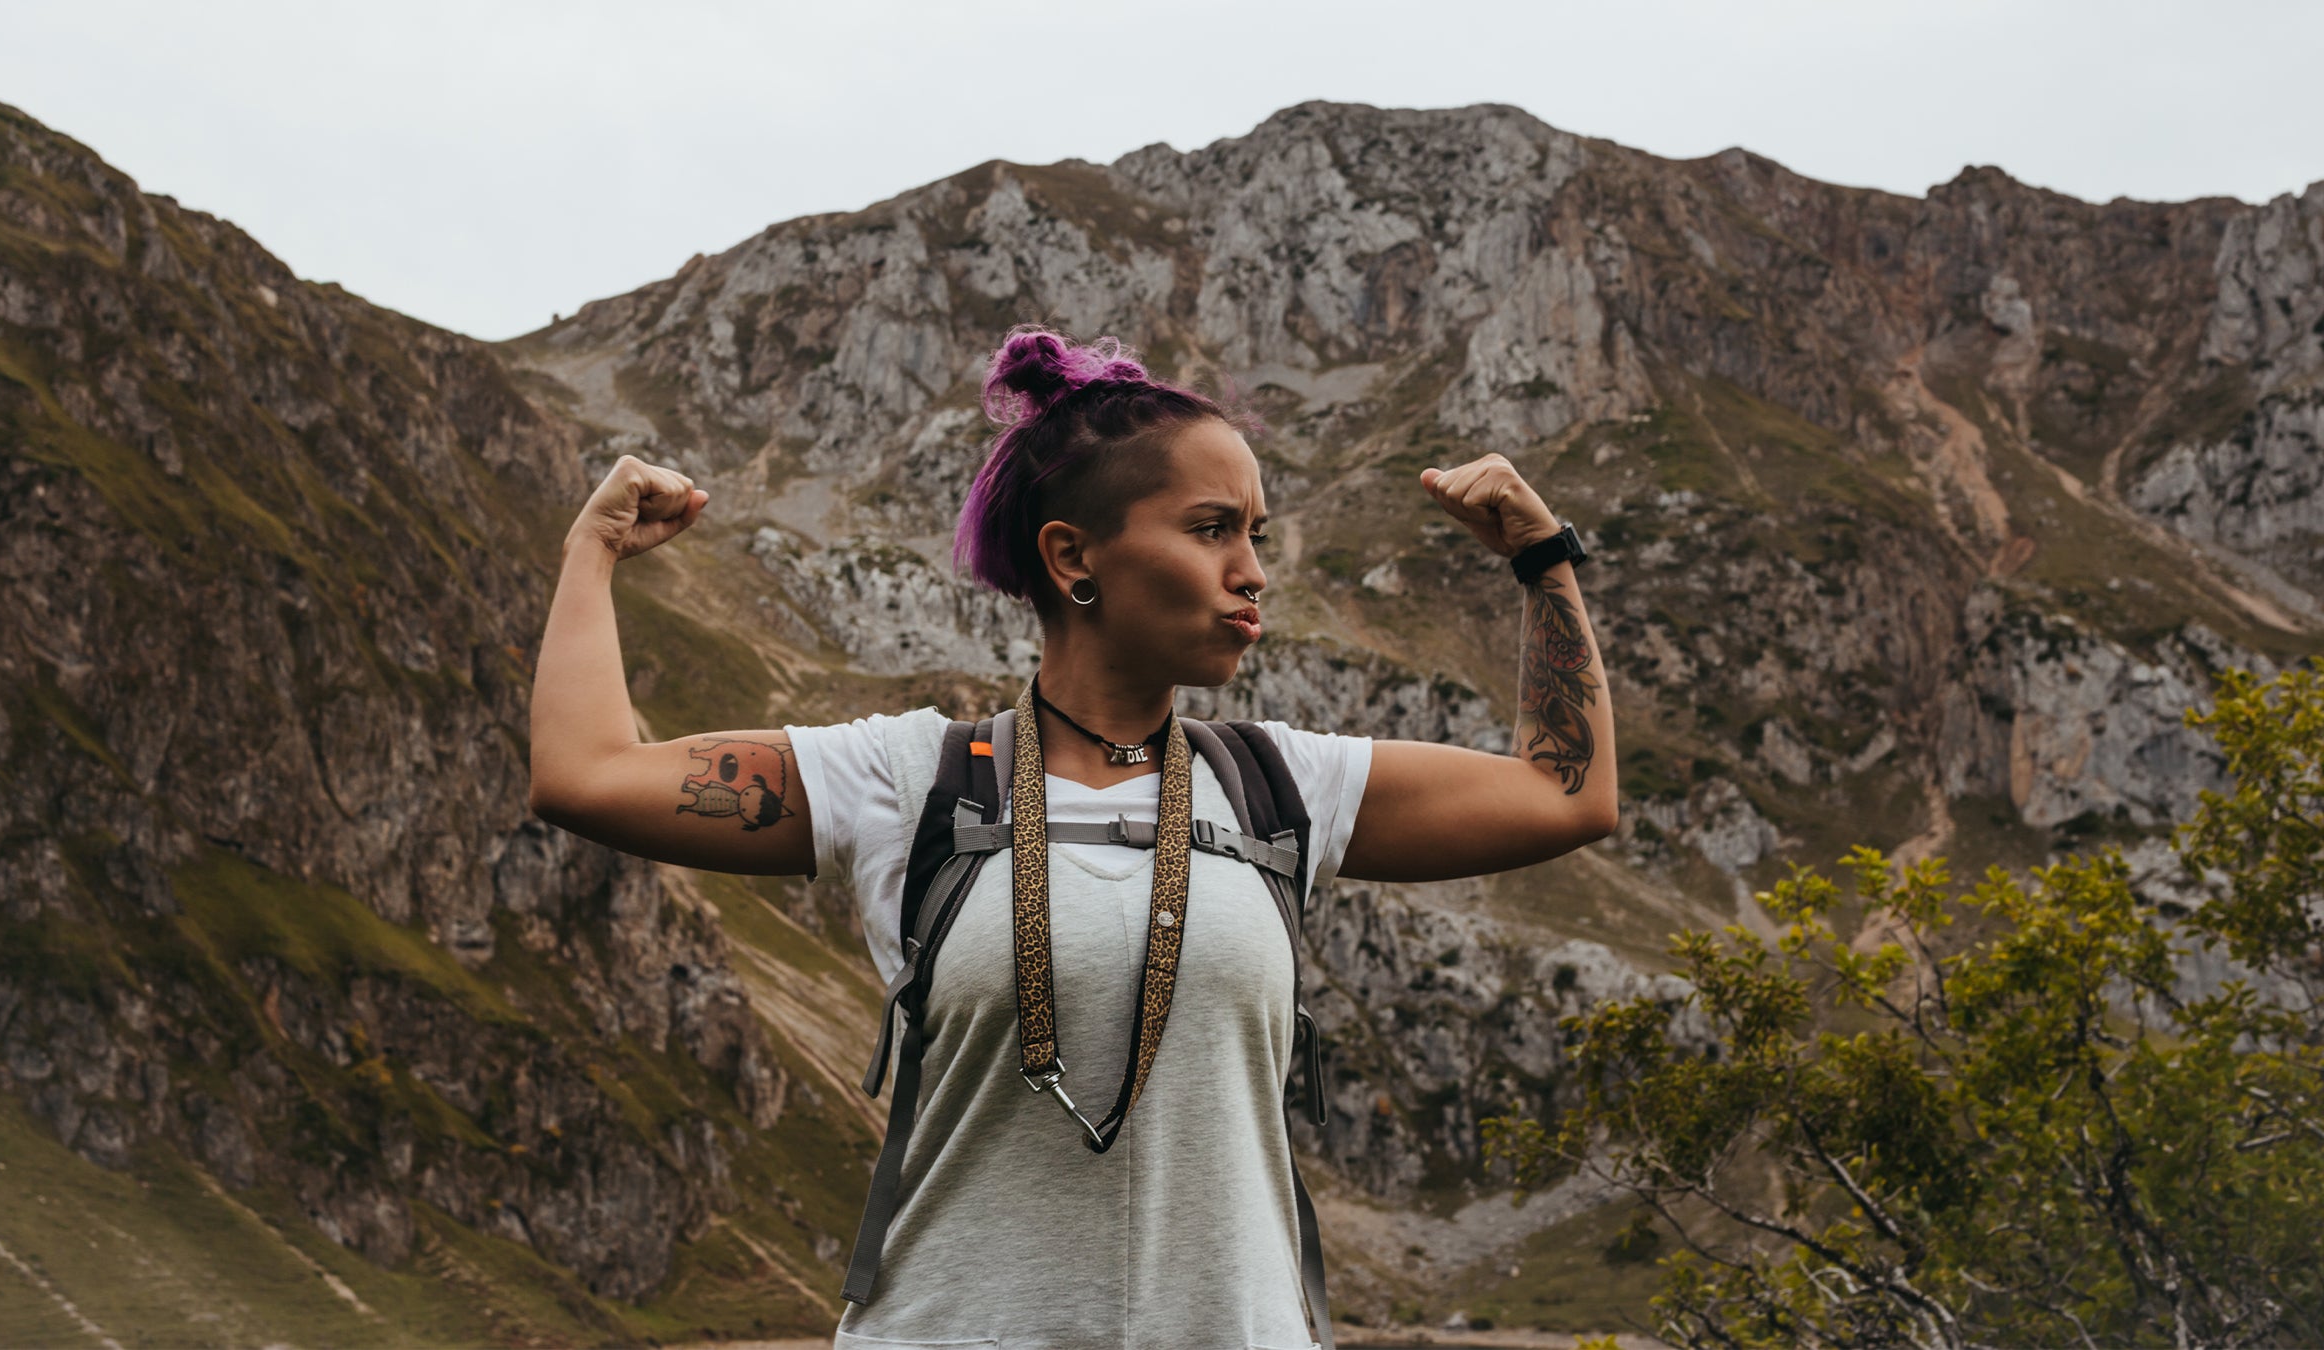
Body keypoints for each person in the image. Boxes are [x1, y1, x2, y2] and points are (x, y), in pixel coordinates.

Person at [527, 326, 1618, 1349]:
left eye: (1257, 534)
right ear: (1071, 556)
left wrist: (1542, 557)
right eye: (1211, 529)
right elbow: (587, 776)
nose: (1255, 571)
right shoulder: (902, 779)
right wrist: (595, 550)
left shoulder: (1287, 784)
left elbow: (1565, 796)